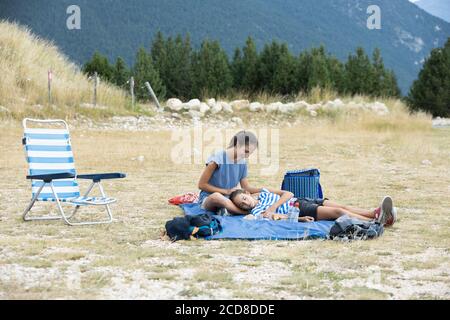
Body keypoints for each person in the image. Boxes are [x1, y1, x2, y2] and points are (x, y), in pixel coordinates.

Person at [229, 188, 397, 226]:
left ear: (247, 193)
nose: (245, 203)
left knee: (342, 205)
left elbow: (287, 193)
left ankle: (375, 213)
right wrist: (300, 219)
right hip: (299, 209)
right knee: (338, 212)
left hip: (302, 199)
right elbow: (279, 218)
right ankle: (377, 221)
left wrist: (273, 206)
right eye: (241, 204)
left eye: (244, 198)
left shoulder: (264, 192)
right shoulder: (258, 212)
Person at [197, 130, 262, 215]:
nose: (247, 155)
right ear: (237, 144)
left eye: (250, 153)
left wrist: (266, 191)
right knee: (217, 196)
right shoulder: (217, 159)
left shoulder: (242, 162)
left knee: (257, 196)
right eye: (246, 151)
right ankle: (243, 212)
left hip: (230, 199)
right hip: (209, 198)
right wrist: (226, 191)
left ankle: (227, 210)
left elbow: (246, 188)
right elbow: (201, 185)